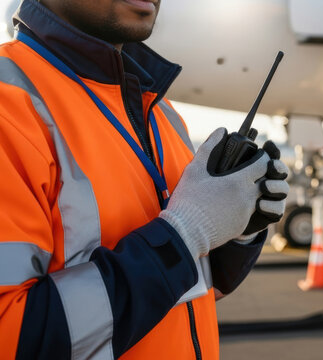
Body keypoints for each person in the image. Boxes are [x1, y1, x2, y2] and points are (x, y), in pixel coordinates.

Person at [0, 0, 289, 359]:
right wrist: (183, 235)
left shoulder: (161, 113)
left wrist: (237, 231)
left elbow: (191, 286)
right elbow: (11, 337)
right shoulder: (7, 104)